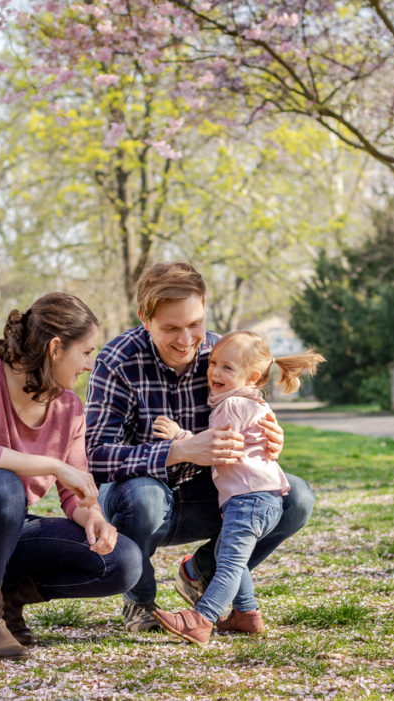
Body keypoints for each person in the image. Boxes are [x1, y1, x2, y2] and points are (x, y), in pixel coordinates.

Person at [0, 292, 143, 659]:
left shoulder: (70, 408)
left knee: (123, 560)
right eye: (85, 352)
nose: (88, 364)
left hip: (3, 533)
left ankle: (5, 603)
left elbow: (73, 493)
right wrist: (52, 465)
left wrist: (93, 517)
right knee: (1, 484)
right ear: (55, 348)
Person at [85, 261, 316, 634]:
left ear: (205, 307)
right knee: (144, 498)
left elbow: (251, 415)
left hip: (210, 495)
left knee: (297, 497)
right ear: (145, 319)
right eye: (170, 328)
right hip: (139, 498)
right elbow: (94, 455)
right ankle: (140, 601)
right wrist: (178, 451)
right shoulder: (118, 362)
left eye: (195, 324)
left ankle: (201, 572)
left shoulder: (226, 354)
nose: (186, 339)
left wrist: (272, 439)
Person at [150, 331, 324, 643]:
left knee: (229, 562)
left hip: (248, 499)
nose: (214, 372)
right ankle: (247, 614)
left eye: (227, 368)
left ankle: (200, 620)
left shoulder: (231, 406)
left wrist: (179, 436)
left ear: (252, 376)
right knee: (229, 554)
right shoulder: (254, 402)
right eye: (213, 363)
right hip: (265, 497)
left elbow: (213, 448)